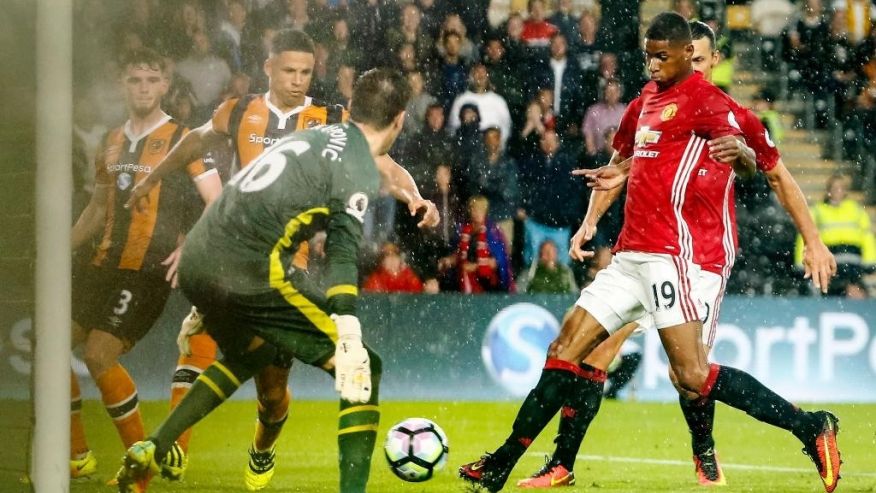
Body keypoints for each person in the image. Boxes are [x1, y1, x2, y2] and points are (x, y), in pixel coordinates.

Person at [458, 14, 841, 493]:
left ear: (702, 58)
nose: (660, 64)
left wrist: (811, 237)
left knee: (690, 376)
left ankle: (784, 432)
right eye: (652, 56)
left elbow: (763, 162)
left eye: (676, 56)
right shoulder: (646, 102)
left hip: (694, 256)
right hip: (633, 253)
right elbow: (623, 163)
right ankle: (529, 462)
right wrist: (593, 218)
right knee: (577, 352)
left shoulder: (710, 102)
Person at [126, 29, 437, 491]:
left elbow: (242, 188)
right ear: (399, 120)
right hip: (257, 270)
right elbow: (345, 252)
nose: (296, 79)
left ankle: (153, 445)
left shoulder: (319, 132)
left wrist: (208, 283)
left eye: (305, 71)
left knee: (255, 353)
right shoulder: (344, 160)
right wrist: (348, 332)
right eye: (288, 69)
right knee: (363, 367)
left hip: (204, 253)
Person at [69, 47, 221, 480]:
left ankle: (141, 471)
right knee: (48, 348)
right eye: (135, 80)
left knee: (99, 353)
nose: (143, 88)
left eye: (152, 80)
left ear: (165, 86)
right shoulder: (111, 140)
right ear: (123, 84)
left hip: (146, 270)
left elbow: (217, 200)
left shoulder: (183, 138)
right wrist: (60, 249)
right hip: (100, 266)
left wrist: (190, 243)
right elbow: (98, 208)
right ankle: (78, 455)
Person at [795, 173, 876, 296]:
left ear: (845, 191)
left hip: (853, 262)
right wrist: (801, 262)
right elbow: (804, 236)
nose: (837, 192)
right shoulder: (818, 211)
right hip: (828, 261)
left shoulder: (856, 210)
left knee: (854, 293)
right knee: (827, 292)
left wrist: (870, 261)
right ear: (828, 191)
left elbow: (867, 237)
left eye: (841, 188)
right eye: (834, 188)